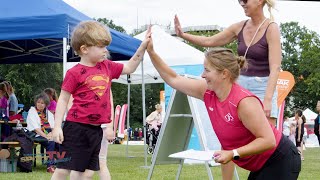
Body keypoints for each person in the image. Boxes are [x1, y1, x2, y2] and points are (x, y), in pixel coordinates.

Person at [146, 32, 300, 179]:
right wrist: (152, 52)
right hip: (262, 165)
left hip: (281, 159)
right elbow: (173, 79)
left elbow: (268, 140)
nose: (202, 75)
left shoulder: (244, 102)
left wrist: (233, 153)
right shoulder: (207, 92)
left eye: (207, 70)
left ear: (224, 74)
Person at [51, 21, 151, 180]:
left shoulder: (107, 67)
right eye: (101, 46)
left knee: (85, 173)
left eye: (106, 46)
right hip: (75, 128)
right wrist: (57, 127)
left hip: (96, 131)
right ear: (84, 49)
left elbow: (130, 68)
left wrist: (142, 47)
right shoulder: (74, 73)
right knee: (64, 168)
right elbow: (62, 100)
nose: (106, 50)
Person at [174, 0, 281, 125]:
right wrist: (183, 35)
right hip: (240, 85)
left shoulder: (271, 28)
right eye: (240, 1)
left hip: (263, 87)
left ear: (259, 1)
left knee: (268, 137)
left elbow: (275, 67)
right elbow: (209, 41)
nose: (242, 4)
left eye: (245, 0)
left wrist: (267, 99)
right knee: (238, 132)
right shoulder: (239, 27)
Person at [26, 92, 56, 173]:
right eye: (38, 102)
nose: (40, 104)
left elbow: (53, 127)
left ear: (46, 104)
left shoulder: (48, 113)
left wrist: (52, 134)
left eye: (42, 103)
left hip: (48, 133)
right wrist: (47, 136)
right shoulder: (32, 111)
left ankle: (61, 164)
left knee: (60, 141)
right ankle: (50, 166)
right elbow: (36, 129)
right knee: (51, 142)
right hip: (36, 134)